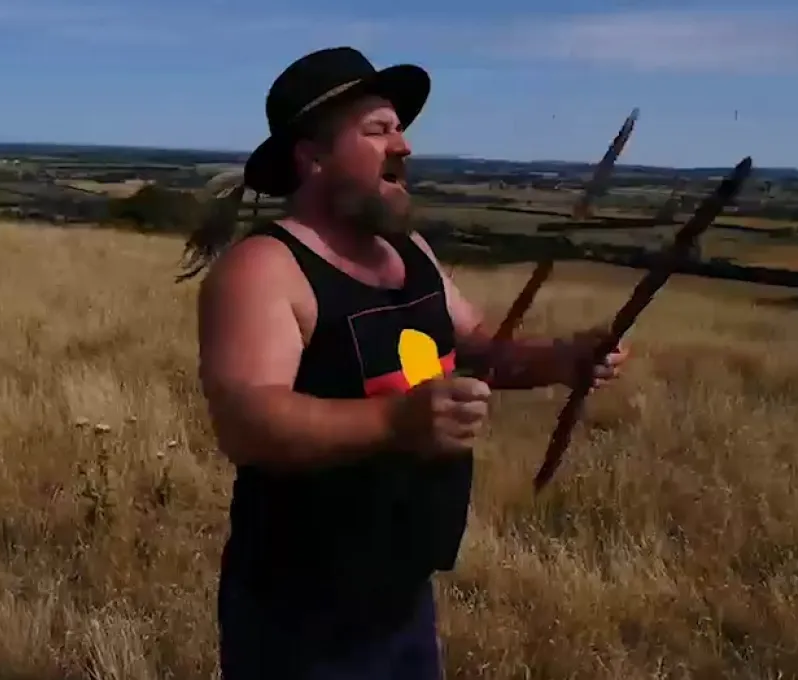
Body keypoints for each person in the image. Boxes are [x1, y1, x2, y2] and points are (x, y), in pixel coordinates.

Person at [185, 46, 630, 680]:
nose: (405, 147)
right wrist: (397, 422)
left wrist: (564, 358)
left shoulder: (409, 249)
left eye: (401, 128)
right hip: (303, 612)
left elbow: (476, 346)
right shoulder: (264, 269)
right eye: (378, 130)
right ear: (313, 157)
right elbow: (246, 422)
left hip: (403, 590)